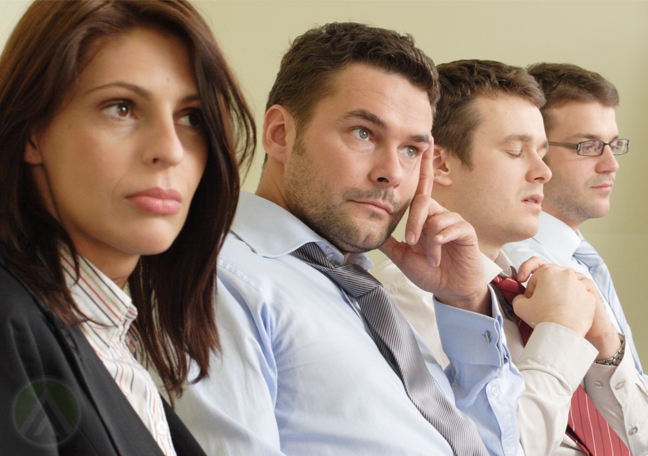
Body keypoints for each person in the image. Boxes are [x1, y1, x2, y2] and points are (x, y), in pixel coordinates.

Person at [175, 23, 526, 456]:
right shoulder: (217, 277)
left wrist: (466, 301)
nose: (392, 173)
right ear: (280, 134)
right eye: (364, 133)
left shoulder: (357, 283)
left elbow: (490, 447)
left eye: (411, 150)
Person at [0, 1, 255, 454]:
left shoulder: (113, 341)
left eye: (191, 117)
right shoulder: (10, 320)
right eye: (122, 108)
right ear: (33, 130)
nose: (170, 150)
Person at [374, 59, 648, 455]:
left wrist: (606, 344)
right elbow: (490, 448)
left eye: (541, 153)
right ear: (440, 163)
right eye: (517, 152)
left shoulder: (533, 291)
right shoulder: (404, 304)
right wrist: (562, 333)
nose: (543, 173)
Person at [502, 63, 648, 453]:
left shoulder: (582, 260)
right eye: (587, 146)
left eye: (613, 145)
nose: (611, 164)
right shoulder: (521, 271)